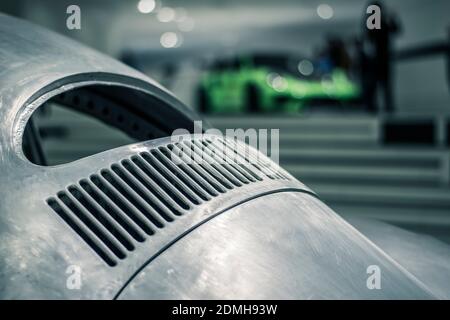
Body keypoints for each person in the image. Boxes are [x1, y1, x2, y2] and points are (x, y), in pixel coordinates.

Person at [363, 1, 401, 113]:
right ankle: (373, 107)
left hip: (383, 58)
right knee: (376, 84)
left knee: (385, 84)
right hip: (376, 60)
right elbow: (371, 37)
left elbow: (396, 30)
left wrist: (392, 18)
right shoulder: (373, 22)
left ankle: (387, 107)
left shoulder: (383, 21)